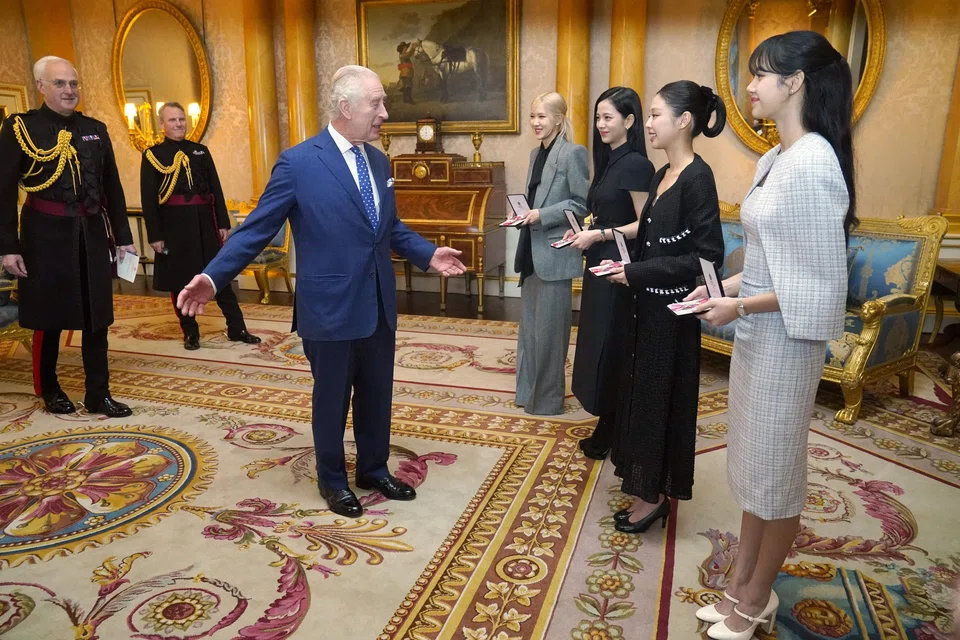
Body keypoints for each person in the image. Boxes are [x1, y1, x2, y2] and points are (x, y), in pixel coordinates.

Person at [176, 65, 465, 518]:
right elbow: (255, 231)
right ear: (346, 107)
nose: (385, 113)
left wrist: (428, 254)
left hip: (378, 304)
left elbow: (388, 228)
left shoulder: (378, 160)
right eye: (377, 103)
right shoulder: (299, 162)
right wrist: (213, 277)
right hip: (328, 308)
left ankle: (373, 468)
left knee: (377, 393)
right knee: (331, 400)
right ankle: (333, 481)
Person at [689, 32, 858, 640]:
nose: (750, 86)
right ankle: (739, 584)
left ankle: (755, 597)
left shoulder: (814, 162)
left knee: (776, 474)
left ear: (797, 82)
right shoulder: (775, 158)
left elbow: (818, 284)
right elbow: (768, 260)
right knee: (755, 467)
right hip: (761, 331)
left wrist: (739, 305)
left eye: (761, 75)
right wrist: (725, 289)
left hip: (788, 341)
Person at [601, 82, 726, 533]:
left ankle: (654, 498)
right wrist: (627, 262)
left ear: (683, 121)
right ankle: (643, 485)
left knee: (659, 402)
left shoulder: (697, 177)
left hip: (673, 316)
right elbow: (653, 241)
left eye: (655, 115)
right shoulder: (661, 173)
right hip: (645, 309)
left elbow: (708, 255)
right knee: (640, 397)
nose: (648, 124)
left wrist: (638, 273)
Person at [0, 56, 136, 418]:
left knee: (97, 315)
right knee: (50, 316)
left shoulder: (95, 128)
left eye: (73, 83)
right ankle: (49, 388)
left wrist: (124, 237)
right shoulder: (20, 128)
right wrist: (8, 247)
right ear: (41, 87)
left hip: (90, 232)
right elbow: (2, 191)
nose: (69, 90)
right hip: (44, 235)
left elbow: (113, 188)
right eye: (59, 83)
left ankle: (98, 394)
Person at [565, 87, 654, 458]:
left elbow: (645, 224)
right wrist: (583, 228)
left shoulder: (635, 164)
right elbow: (604, 213)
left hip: (620, 270)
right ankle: (609, 420)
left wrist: (599, 233)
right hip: (599, 265)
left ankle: (615, 426)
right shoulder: (610, 162)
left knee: (613, 346)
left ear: (629, 121)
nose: (600, 124)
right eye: (598, 117)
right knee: (596, 344)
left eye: (608, 118)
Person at [140, 102, 261, 350]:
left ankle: (237, 328)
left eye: (182, 119)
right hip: (173, 227)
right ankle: (190, 332)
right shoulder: (153, 155)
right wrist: (155, 234)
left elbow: (215, 188)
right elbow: (148, 198)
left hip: (205, 223)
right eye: (172, 120)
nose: (179, 124)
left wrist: (223, 223)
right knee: (180, 281)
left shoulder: (200, 151)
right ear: (162, 125)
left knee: (221, 276)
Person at [512, 92, 589, 415]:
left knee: (550, 335)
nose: (535, 123)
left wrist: (541, 215)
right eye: (532, 116)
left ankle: (547, 401)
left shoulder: (573, 153)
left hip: (555, 255)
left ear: (558, 119)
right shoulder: (534, 154)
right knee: (529, 332)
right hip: (531, 251)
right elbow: (535, 200)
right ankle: (527, 395)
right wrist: (523, 214)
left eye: (542, 117)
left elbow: (579, 203)